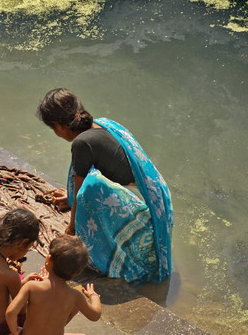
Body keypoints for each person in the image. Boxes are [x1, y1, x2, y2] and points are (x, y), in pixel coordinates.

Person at [36, 88, 174, 283]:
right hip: (157, 202)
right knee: (86, 180)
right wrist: (70, 197)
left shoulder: (81, 143)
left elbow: (81, 192)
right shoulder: (105, 124)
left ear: (58, 127)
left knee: (90, 188)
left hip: (143, 216)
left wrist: (71, 229)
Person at [6, 234, 101, 335]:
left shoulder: (32, 286)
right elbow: (95, 315)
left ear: (48, 259)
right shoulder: (75, 295)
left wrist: (16, 332)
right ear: (77, 273)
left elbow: (11, 312)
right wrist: (94, 296)